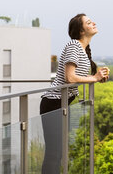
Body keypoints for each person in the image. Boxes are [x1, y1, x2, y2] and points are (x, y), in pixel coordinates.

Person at [40, 13, 109, 174]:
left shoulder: (83, 49)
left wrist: (97, 78)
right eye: (89, 22)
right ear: (81, 30)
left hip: (64, 103)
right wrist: (94, 77)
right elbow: (69, 78)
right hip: (54, 103)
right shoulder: (73, 45)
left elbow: (81, 77)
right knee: (53, 152)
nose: (94, 23)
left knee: (59, 151)